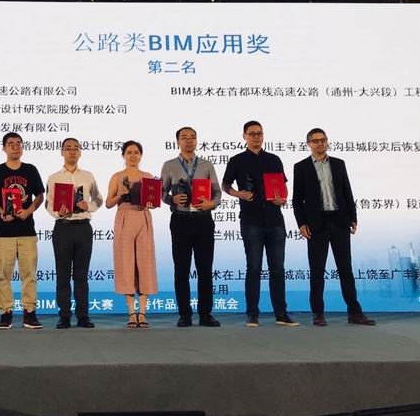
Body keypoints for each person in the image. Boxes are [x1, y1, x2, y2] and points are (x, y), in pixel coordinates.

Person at [293, 128, 376, 326]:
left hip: (339, 222)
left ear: (327, 141)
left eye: (323, 140)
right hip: (316, 224)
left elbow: (347, 191)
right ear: (309, 144)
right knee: (317, 271)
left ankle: (354, 312)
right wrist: (301, 223)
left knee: (345, 269)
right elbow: (297, 200)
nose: (320, 144)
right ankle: (318, 313)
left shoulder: (339, 164)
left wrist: (353, 217)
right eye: (315, 141)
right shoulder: (301, 167)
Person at [222, 121, 297, 327]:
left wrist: (282, 199)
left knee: (278, 268)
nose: (256, 137)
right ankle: (252, 313)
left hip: (275, 220)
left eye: (259, 133)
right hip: (251, 220)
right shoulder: (237, 160)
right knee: (254, 268)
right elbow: (225, 185)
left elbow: (283, 187)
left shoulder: (274, 159)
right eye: (252, 134)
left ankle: (281, 313)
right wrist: (238, 194)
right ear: (244, 136)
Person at [161, 126, 222, 327]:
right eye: (184, 137)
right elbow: (161, 193)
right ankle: (184, 314)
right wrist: (172, 199)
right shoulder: (169, 165)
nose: (189, 141)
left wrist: (211, 203)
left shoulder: (206, 165)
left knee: (205, 268)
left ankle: (205, 314)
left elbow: (217, 192)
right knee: (181, 269)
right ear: (177, 142)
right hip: (180, 220)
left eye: (193, 137)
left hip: (203, 220)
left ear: (197, 141)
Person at [0, 132, 46, 329]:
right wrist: (1, 211)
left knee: (29, 274)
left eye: (19, 143)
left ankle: (30, 313)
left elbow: (40, 196)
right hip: (4, 232)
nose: (16, 146)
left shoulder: (30, 169)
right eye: (11, 144)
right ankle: (5, 313)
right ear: (4, 148)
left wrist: (28, 211)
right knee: (4, 275)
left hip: (27, 231)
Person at [45, 137, 103, 329]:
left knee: (81, 275)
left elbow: (98, 199)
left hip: (83, 228)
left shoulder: (88, 176)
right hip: (62, 228)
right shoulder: (54, 177)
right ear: (61, 152)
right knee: (62, 275)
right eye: (68, 148)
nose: (72, 151)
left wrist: (89, 206)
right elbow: (48, 203)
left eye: (75, 148)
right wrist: (58, 213)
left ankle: (83, 316)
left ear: (80, 152)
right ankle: (64, 316)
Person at [105, 140, 158, 328]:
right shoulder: (117, 176)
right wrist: (120, 194)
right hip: (124, 217)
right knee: (125, 264)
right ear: (123, 155)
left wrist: (151, 202)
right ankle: (131, 313)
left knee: (145, 264)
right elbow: (108, 203)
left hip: (143, 216)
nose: (133, 156)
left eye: (136, 152)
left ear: (141, 155)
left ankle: (142, 313)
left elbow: (153, 201)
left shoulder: (148, 176)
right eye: (129, 152)